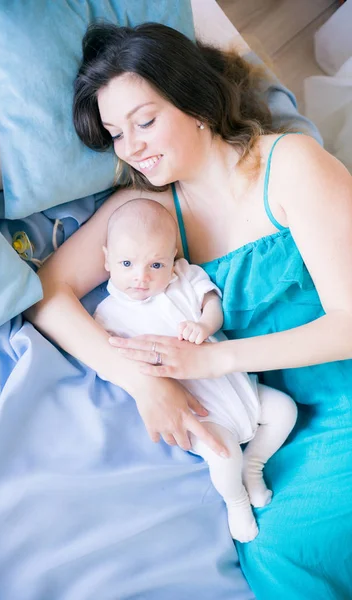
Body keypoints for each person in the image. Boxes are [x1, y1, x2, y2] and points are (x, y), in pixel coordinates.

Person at [26, 21, 352, 599]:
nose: (132, 148)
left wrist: (210, 362)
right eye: (115, 134)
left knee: (292, 559)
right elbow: (48, 293)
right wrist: (142, 381)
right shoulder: (148, 214)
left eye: (145, 121)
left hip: (342, 397)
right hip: (275, 422)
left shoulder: (291, 165)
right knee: (276, 556)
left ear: (195, 102)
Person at [93, 197, 297, 543]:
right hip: (201, 409)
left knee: (284, 410)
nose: (140, 277)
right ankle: (236, 500)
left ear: (172, 258)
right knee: (223, 454)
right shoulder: (109, 315)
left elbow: (212, 304)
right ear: (107, 259)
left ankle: (255, 465)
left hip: (236, 385)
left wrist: (204, 325)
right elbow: (116, 361)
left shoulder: (185, 276)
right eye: (127, 263)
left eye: (155, 265)